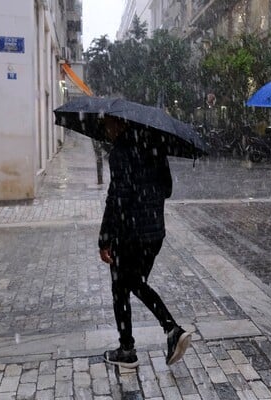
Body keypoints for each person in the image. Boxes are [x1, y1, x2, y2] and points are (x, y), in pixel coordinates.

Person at [98, 117, 192, 368]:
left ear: (120, 124)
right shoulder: (155, 146)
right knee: (133, 284)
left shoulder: (120, 151)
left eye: (108, 125)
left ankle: (155, 337)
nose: (106, 129)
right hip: (154, 234)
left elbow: (117, 197)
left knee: (124, 287)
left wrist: (105, 238)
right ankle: (137, 344)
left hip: (130, 235)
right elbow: (167, 189)